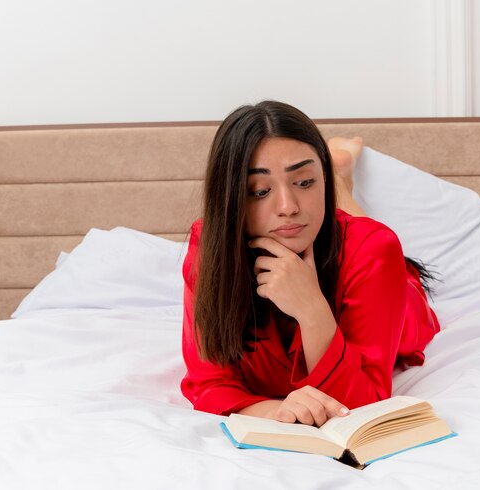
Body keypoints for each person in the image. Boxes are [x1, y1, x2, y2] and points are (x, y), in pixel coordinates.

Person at [181, 100, 440, 427]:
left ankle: (338, 178)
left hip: (394, 289)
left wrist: (312, 310)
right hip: (328, 234)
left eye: (305, 182)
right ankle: (338, 176)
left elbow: (366, 402)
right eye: (260, 191)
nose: (287, 206)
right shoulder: (210, 245)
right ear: (231, 199)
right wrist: (276, 411)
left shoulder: (375, 249)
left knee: (360, 234)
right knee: (333, 225)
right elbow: (208, 383)